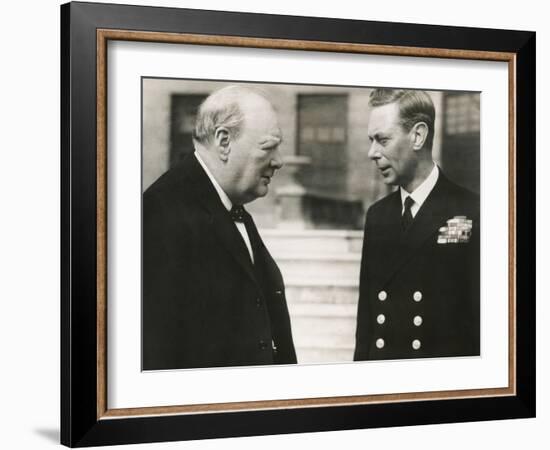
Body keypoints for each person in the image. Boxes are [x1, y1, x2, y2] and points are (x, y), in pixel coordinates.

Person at [142, 86, 297, 370]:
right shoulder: (161, 214)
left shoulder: (229, 207)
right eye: (268, 147)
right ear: (224, 141)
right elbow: (157, 355)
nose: (279, 161)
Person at [354, 88, 480, 361]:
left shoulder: (473, 210)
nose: (371, 152)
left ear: (418, 136)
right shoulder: (377, 216)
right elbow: (366, 322)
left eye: (382, 140)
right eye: (370, 140)